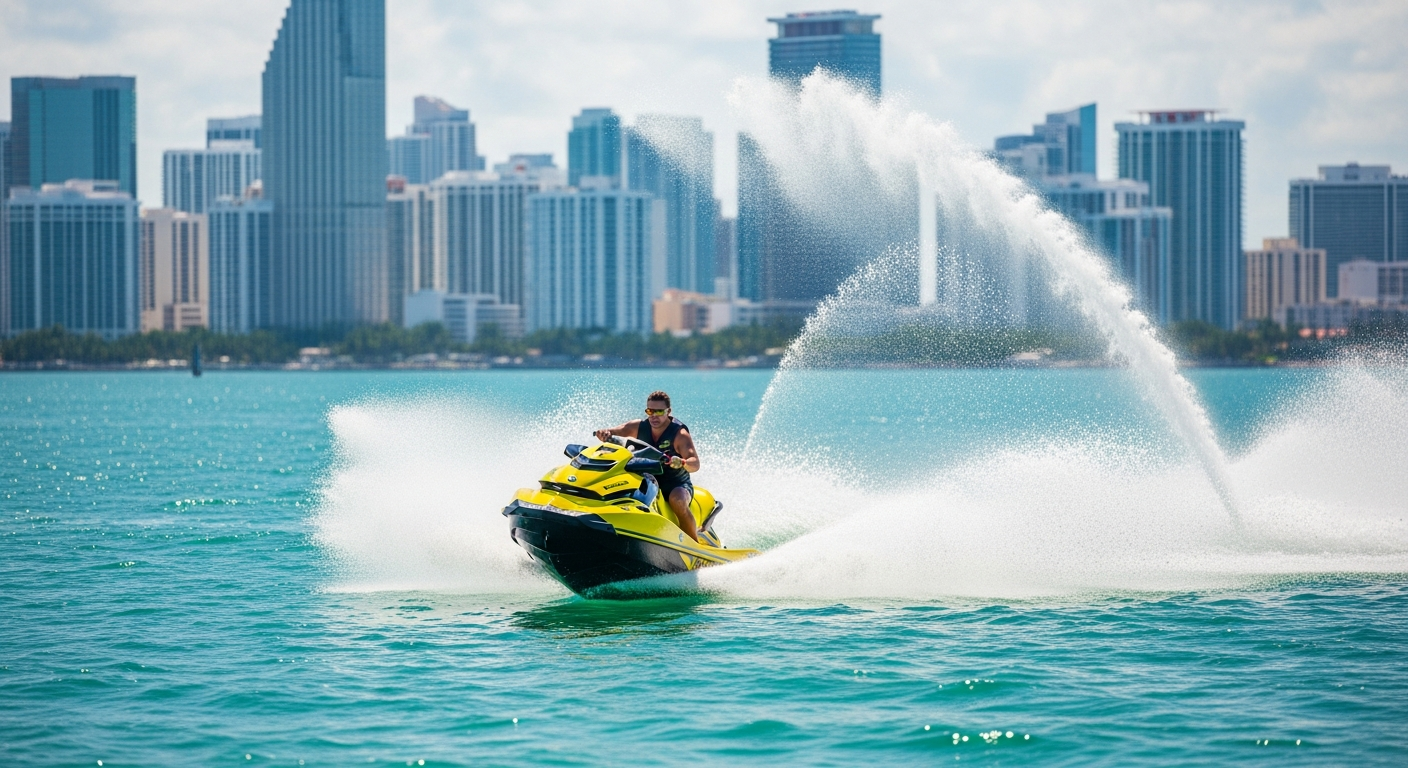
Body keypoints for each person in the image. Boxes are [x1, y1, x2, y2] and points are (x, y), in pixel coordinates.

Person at [594, 390, 703, 542]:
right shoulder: (638, 426)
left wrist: (682, 462)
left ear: (668, 411)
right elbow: (611, 432)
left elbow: (695, 463)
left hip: (675, 483)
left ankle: (693, 544)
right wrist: (603, 433)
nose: (654, 416)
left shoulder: (680, 434)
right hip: (648, 479)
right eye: (650, 411)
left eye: (659, 411)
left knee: (677, 500)